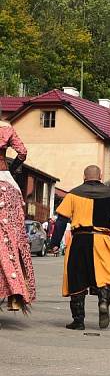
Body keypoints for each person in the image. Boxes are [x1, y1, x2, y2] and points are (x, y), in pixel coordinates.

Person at [48, 165, 110, 329]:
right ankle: (104, 300)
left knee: (76, 278)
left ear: (84, 177)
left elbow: (61, 221)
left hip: (79, 240)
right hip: (102, 240)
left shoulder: (73, 194)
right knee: (104, 275)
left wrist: (55, 243)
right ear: (100, 176)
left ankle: (78, 321)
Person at [0, 123, 35, 312]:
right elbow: (22, 152)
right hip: (4, 180)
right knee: (13, 238)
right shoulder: (6, 128)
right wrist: (12, 169)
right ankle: (15, 294)